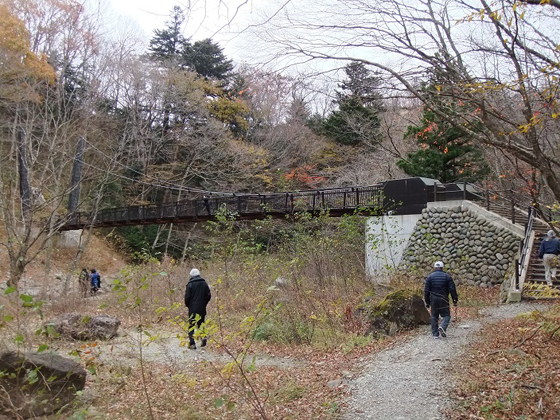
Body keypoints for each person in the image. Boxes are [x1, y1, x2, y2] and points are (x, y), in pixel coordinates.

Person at [424, 261, 458, 339]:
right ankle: (442, 326)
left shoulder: (430, 277)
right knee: (446, 315)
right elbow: (452, 289)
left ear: (434, 268)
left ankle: (435, 334)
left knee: (434, 316)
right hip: (443, 298)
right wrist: (455, 300)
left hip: (433, 299)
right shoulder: (447, 277)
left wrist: (427, 302)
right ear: (442, 268)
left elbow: (426, 291)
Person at [184, 268, 211, 349]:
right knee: (201, 323)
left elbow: (187, 297)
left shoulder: (190, 284)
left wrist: (188, 305)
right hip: (202, 308)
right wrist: (204, 303)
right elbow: (208, 295)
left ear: (191, 276)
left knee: (191, 325)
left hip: (192, 308)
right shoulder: (204, 283)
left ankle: (192, 343)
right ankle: (203, 338)